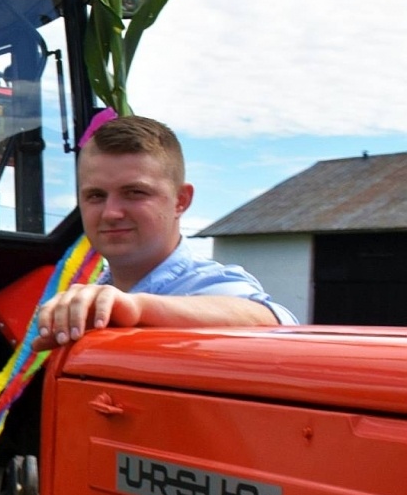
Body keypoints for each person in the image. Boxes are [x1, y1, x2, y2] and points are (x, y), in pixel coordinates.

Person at [35, 114, 297, 348]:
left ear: (180, 201)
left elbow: (273, 320)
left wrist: (137, 308)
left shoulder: (207, 284)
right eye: (95, 195)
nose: (111, 213)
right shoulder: (90, 296)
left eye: (135, 192)